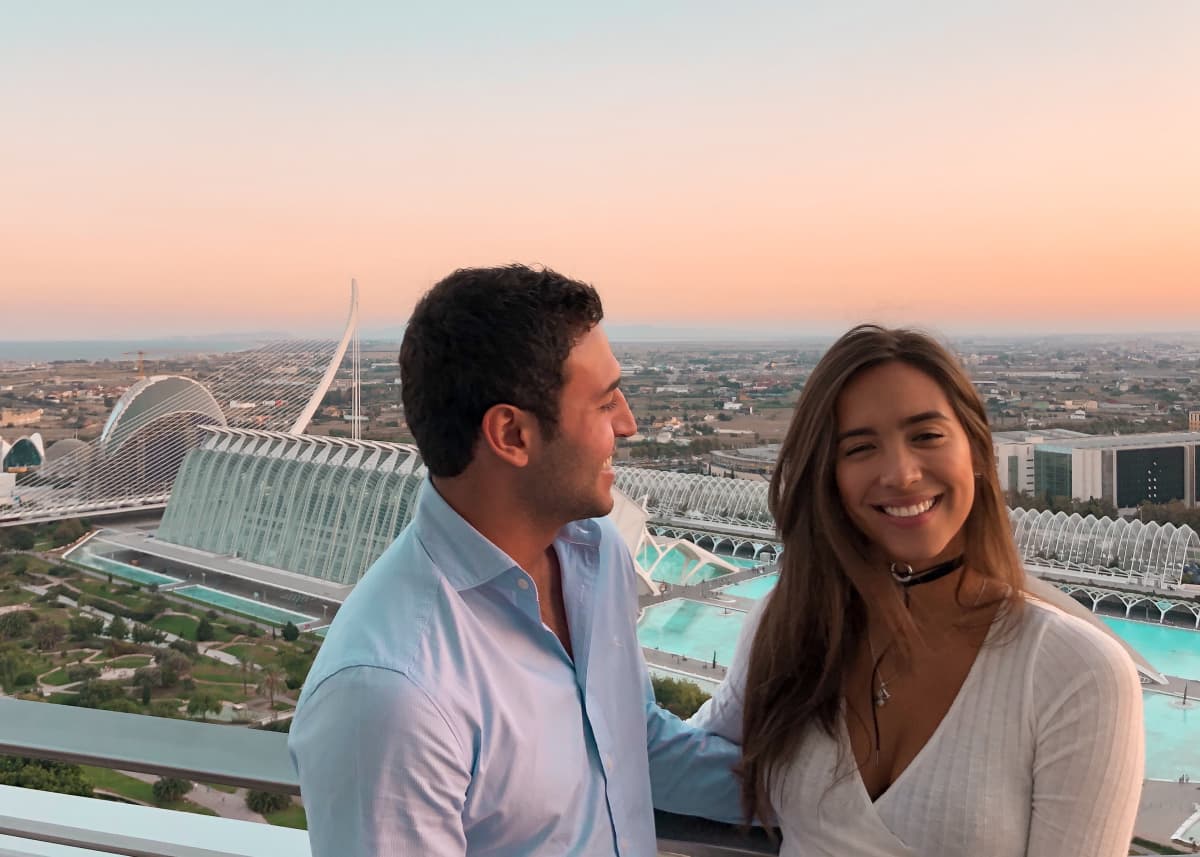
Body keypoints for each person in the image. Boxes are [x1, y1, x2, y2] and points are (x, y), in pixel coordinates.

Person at [289, 264, 742, 856]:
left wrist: (828, 798)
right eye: (605, 404)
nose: (628, 425)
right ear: (512, 435)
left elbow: (632, 739)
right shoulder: (391, 693)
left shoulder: (595, 552)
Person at [691, 324, 1143, 856]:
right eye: (859, 448)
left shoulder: (1076, 672)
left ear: (976, 451)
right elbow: (694, 753)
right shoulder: (790, 623)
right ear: (828, 475)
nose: (902, 474)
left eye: (926, 436)